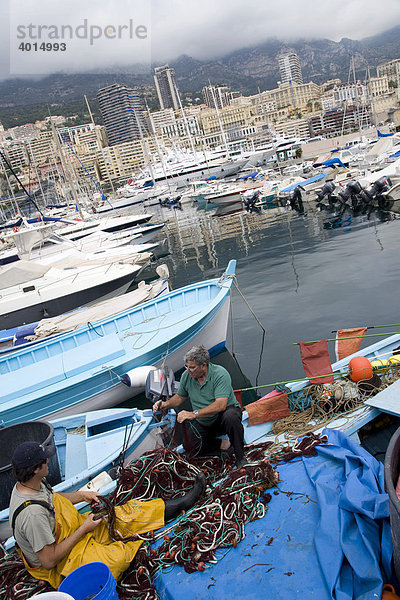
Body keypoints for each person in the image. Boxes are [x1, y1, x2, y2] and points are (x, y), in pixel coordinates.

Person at [9, 441, 205, 588]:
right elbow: (49, 560)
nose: (49, 461)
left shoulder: (32, 483)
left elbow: (52, 498)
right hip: (62, 560)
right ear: (35, 469)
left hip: (75, 528)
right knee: (116, 561)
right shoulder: (31, 516)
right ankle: (128, 544)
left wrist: (81, 496)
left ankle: (185, 501)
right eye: (44, 461)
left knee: (130, 512)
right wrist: (84, 529)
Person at [153, 345, 248, 469]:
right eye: (186, 367)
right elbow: (180, 397)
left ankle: (240, 457)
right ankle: (222, 444)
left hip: (222, 417)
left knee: (231, 417)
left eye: (192, 368)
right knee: (189, 445)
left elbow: (220, 405)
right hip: (205, 422)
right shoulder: (186, 376)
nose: (188, 370)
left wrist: (193, 414)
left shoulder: (220, 374)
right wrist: (165, 404)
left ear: (203, 365)